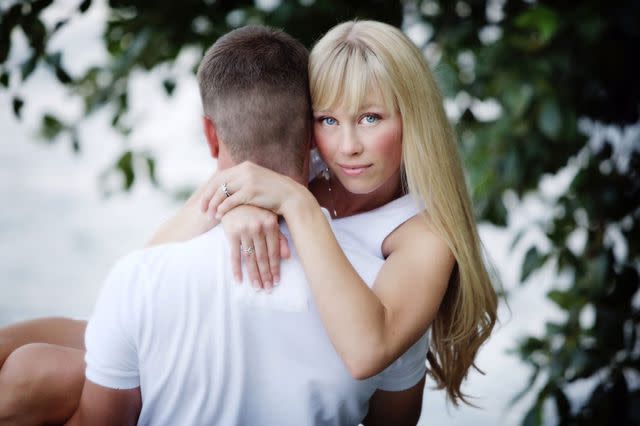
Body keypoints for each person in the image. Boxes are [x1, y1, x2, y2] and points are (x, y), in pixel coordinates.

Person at [0, 25, 429, 426]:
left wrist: (294, 203)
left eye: (371, 118)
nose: (348, 146)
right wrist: (234, 203)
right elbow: (153, 257)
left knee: (41, 370)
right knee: (22, 355)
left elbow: (367, 351)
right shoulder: (324, 162)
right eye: (328, 120)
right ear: (309, 130)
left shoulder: (419, 240)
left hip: (326, 337)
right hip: (178, 322)